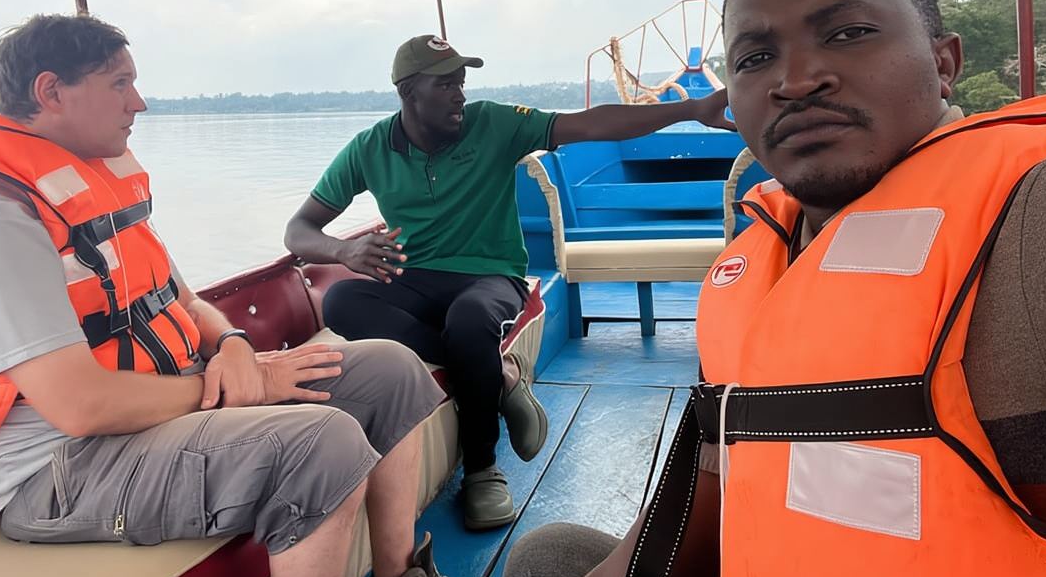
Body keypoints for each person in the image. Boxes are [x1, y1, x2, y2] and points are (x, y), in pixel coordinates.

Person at [503, 0, 1046, 577]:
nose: (795, 79)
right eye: (756, 57)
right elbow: (718, 479)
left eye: (848, 33)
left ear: (945, 63)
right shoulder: (760, 252)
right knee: (548, 557)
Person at [0, 14, 450, 577]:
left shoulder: (90, 184)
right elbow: (81, 407)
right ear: (50, 91)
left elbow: (182, 301)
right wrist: (232, 389)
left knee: (390, 370)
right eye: (119, 84)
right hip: (63, 468)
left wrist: (232, 345)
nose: (139, 104)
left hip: (159, 405)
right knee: (321, 444)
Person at [284, 34, 732, 530]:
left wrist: (690, 109)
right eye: (446, 84)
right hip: (414, 278)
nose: (460, 94)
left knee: (470, 319)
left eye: (461, 82)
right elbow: (299, 231)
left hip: (489, 274)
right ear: (409, 93)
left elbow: (593, 123)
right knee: (342, 299)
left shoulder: (492, 123)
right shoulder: (370, 148)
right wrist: (344, 251)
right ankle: (501, 377)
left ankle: (482, 470)